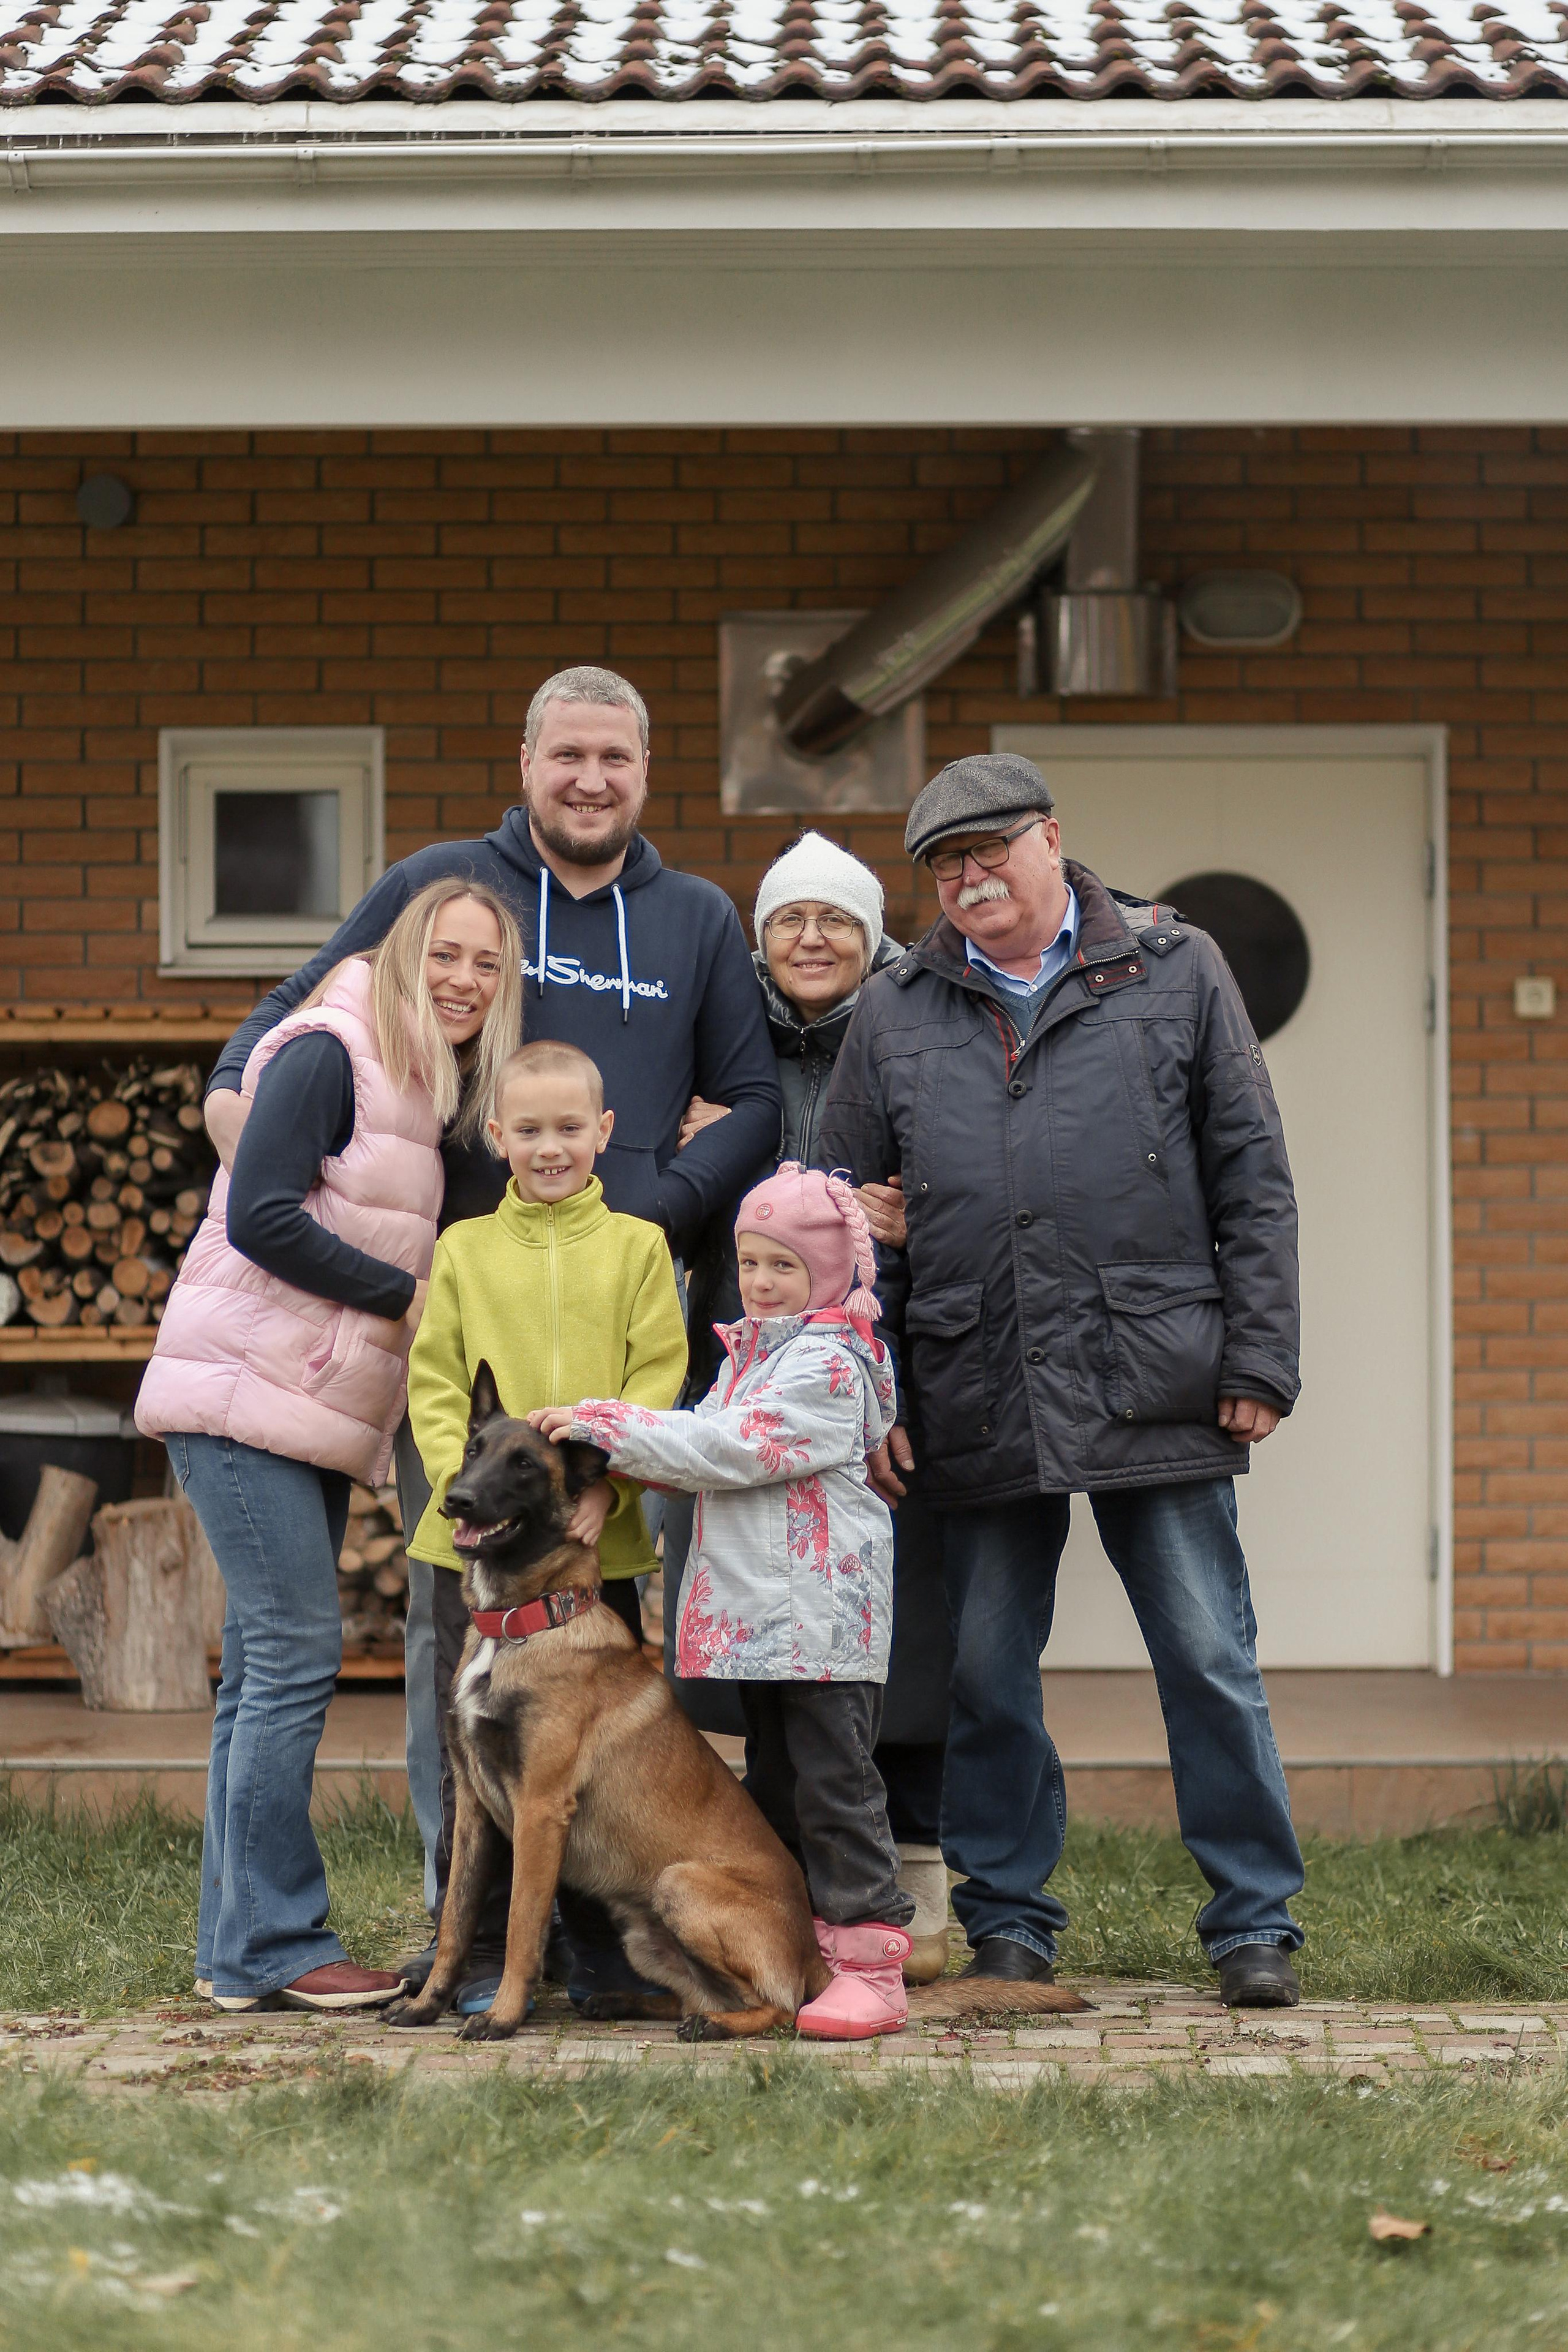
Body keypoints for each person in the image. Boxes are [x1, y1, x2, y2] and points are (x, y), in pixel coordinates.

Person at [203, 665, 781, 1989]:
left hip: (615, 1352)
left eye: (616, 759)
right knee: (448, 1639)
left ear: (646, 770)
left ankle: (594, 1943)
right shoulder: (441, 886)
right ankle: (456, 1935)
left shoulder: (693, 918)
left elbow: (751, 1095)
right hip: (463, 1330)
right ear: (526, 759)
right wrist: (237, 1096)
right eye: (566, 754)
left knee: (604, 1644)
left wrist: (664, 1202)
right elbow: (299, 1002)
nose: (590, 780)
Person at [820, 752, 1308, 2011]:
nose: (965, 880)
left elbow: (1249, 1174)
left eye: (985, 851)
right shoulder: (896, 1006)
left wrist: (1257, 1356)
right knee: (985, 1670)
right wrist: (866, 1382)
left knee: (1205, 1655)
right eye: (941, 866)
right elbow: (826, 1221)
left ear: (1049, 838)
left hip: (1156, 1368)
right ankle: (1008, 1925)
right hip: (971, 1371)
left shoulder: (1173, 965)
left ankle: (1251, 1921)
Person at [137, 881, 522, 2013]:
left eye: (486, 966)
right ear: (402, 955)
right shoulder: (331, 1051)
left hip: (288, 1407)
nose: (461, 979)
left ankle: (236, 1950)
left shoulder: (423, 1081)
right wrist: (408, 1294)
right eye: (443, 955)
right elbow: (259, 1210)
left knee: (260, 1669)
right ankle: (280, 1944)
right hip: (237, 1400)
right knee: (299, 1654)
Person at [538, 1163, 914, 2041]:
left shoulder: (829, 1363)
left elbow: (730, 1448)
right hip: (769, 1627)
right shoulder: (754, 1355)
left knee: (836, 1790)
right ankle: (803, 1956)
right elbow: (701, 1449)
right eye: (748, 1262)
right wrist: (626, 1453)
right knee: (777, 1791)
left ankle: (872, 1970)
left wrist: (611, 1425)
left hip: (821, 1624)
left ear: (829, 1273)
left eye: (783, 1265)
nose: (760, 1281)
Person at [673, 831, 953, 1982]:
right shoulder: (724, 1039)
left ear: (872, 934)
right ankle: (780, 1882)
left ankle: (913, 1885)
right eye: (791, 918)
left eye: (837, 918)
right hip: (742, 1372)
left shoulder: (915, 1031)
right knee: (755, 1635)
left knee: (894, 1632)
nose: (813, 939)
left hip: (873, 1378)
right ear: (762, 936)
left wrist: (907, 1214)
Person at [404, 1039, 689, 2012]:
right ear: (497, 1137)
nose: (551, 1147)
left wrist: (613, 1481)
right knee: (473, 1756)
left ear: (604, 1133)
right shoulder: (465, 1252)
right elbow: (439, 1381)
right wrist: (470, 1482)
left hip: (590, 1547)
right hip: (478, 1547)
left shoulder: (638, 1248)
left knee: (591, 1762)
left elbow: (659, 1376)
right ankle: (476, 1952)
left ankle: (602, 1959)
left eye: (571, 1128)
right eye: (529, 1130)